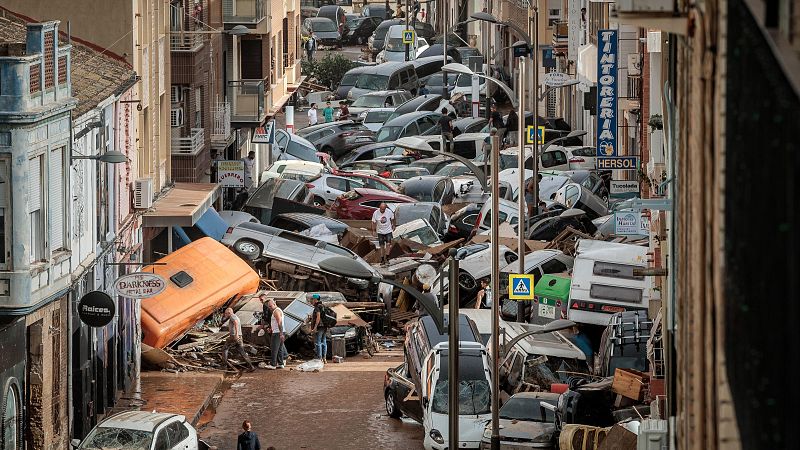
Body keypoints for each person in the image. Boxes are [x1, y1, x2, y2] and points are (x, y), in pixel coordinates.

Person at [265, 299, 287, 369]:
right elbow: (276, 323)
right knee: (280, 348)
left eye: (270, 306)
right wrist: (272, 329)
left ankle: (273, 364)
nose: (270, 308)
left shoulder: (276, 311)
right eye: (269, 306)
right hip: (278, 331)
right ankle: (280, 363)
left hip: (277, 333)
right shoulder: (277, 310)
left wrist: (280, 333)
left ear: (275, 304)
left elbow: (279, 322)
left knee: (274, 348)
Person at [310, 294, 329, 363]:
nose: (312, 301)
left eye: (312, 299)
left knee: (318, 342)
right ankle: (324, 358)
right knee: (324, 342)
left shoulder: (317, 307)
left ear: (315, 300)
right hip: (325, 326)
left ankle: (319, 358)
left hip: (319, 326)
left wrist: (315, 327)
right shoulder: (323, 306)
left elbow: (318, 318)